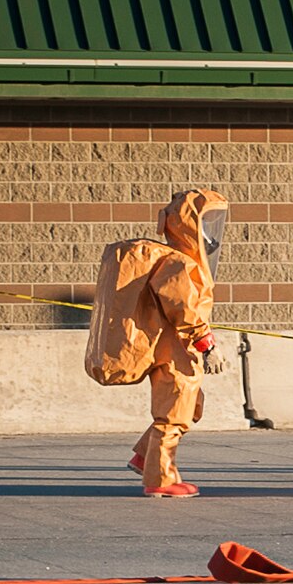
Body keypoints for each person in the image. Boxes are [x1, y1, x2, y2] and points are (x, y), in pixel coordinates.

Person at [111, 189, 228, 498]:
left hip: (179, 351)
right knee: (174, 415)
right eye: (204, 224)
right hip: (176, 353)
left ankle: (143, 456)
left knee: (190, 407)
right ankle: (160, 480)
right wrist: (207, 345)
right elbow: (184, 309)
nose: (209, 236)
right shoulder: (177, 265)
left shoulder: (184, 263)